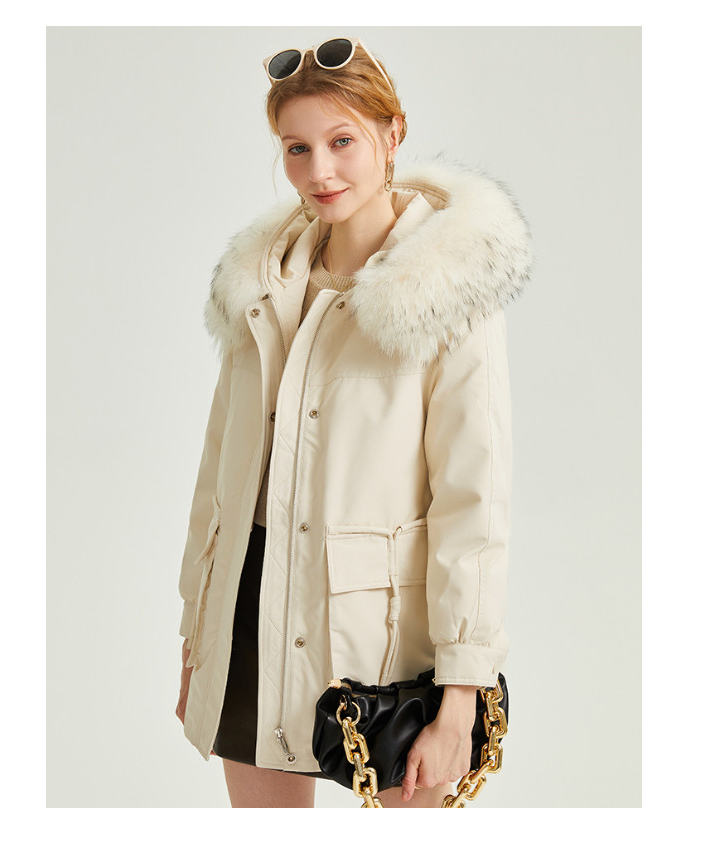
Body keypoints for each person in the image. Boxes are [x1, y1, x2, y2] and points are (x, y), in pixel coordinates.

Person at [175, 36, 532, 808]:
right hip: (247, 618)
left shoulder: (447, 290)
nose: (319, 172)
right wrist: (197, 639)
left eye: (342, 141)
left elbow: (474, 505)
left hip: (386, 642)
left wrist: (462, 695)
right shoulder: (262, 285)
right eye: (297, 148)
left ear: (392, 133)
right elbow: (219, 472)